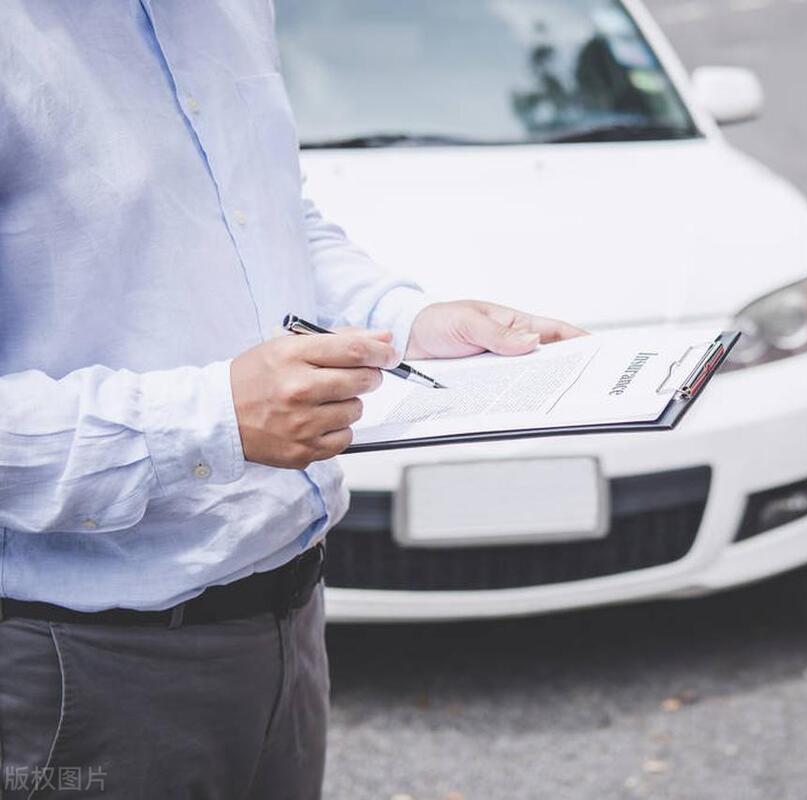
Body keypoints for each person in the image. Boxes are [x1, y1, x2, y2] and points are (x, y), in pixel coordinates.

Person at [0, 4, 584, 798]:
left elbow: (266, 221)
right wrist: (211, 419)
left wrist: (404, 321)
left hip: (290, 619)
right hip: (83, 663)